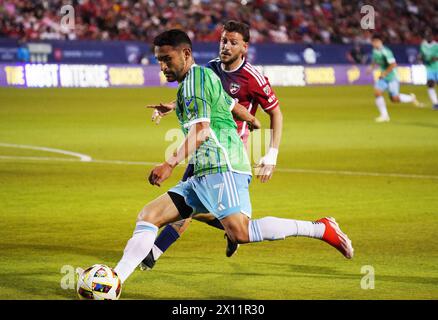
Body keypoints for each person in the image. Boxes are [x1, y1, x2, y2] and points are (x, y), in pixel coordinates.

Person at [79, 29, 353, 290]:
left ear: (186, 53)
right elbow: (229, 104)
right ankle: (116, 280)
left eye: (167, 59)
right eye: (159, 60)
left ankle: (321, 229)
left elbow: (201, 130)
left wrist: (169, 163)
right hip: (204, 171)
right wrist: (252, 120)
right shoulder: (198, 78)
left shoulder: (196, 80)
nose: (162, 66)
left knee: (241, 233)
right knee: (149, 216)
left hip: (223, 166)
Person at [141, 21, 284, 270]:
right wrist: (172, 106)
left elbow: (276, 114)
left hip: (228, 151)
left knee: (186, 201)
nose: (225, 46)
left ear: (244, 47)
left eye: (232, 42)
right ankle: (228, 230)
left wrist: (271, 154)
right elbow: (198, 98)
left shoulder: (253, 77)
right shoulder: (209, 69)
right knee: (191, 202)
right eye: (223, 41)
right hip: (202, 144)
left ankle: (152, 252)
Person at [367, 34, 423, 123]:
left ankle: (411, 98)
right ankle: (384, 116)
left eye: (376, 42)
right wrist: (371, 67)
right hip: (383, 77)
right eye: (373, 42)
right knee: (377, 93)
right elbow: (375, 60)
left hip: (392, 77)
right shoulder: (375, 51)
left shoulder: (386, 52)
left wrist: (385, 73)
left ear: (380, 42)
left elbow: (393, 64)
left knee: (394, 99)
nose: (375, 43)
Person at [419, 32, 438, 110]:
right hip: (429, 68)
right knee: (430, 84)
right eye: (427, 36)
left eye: (430, 36)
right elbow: (422, 55)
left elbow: (435, 58)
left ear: (433, 37)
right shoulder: (423, 45)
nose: (429, 37)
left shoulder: (436, 45)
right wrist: (421, 59)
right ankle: (435, 103)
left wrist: (431, 58)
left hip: (437, 67)